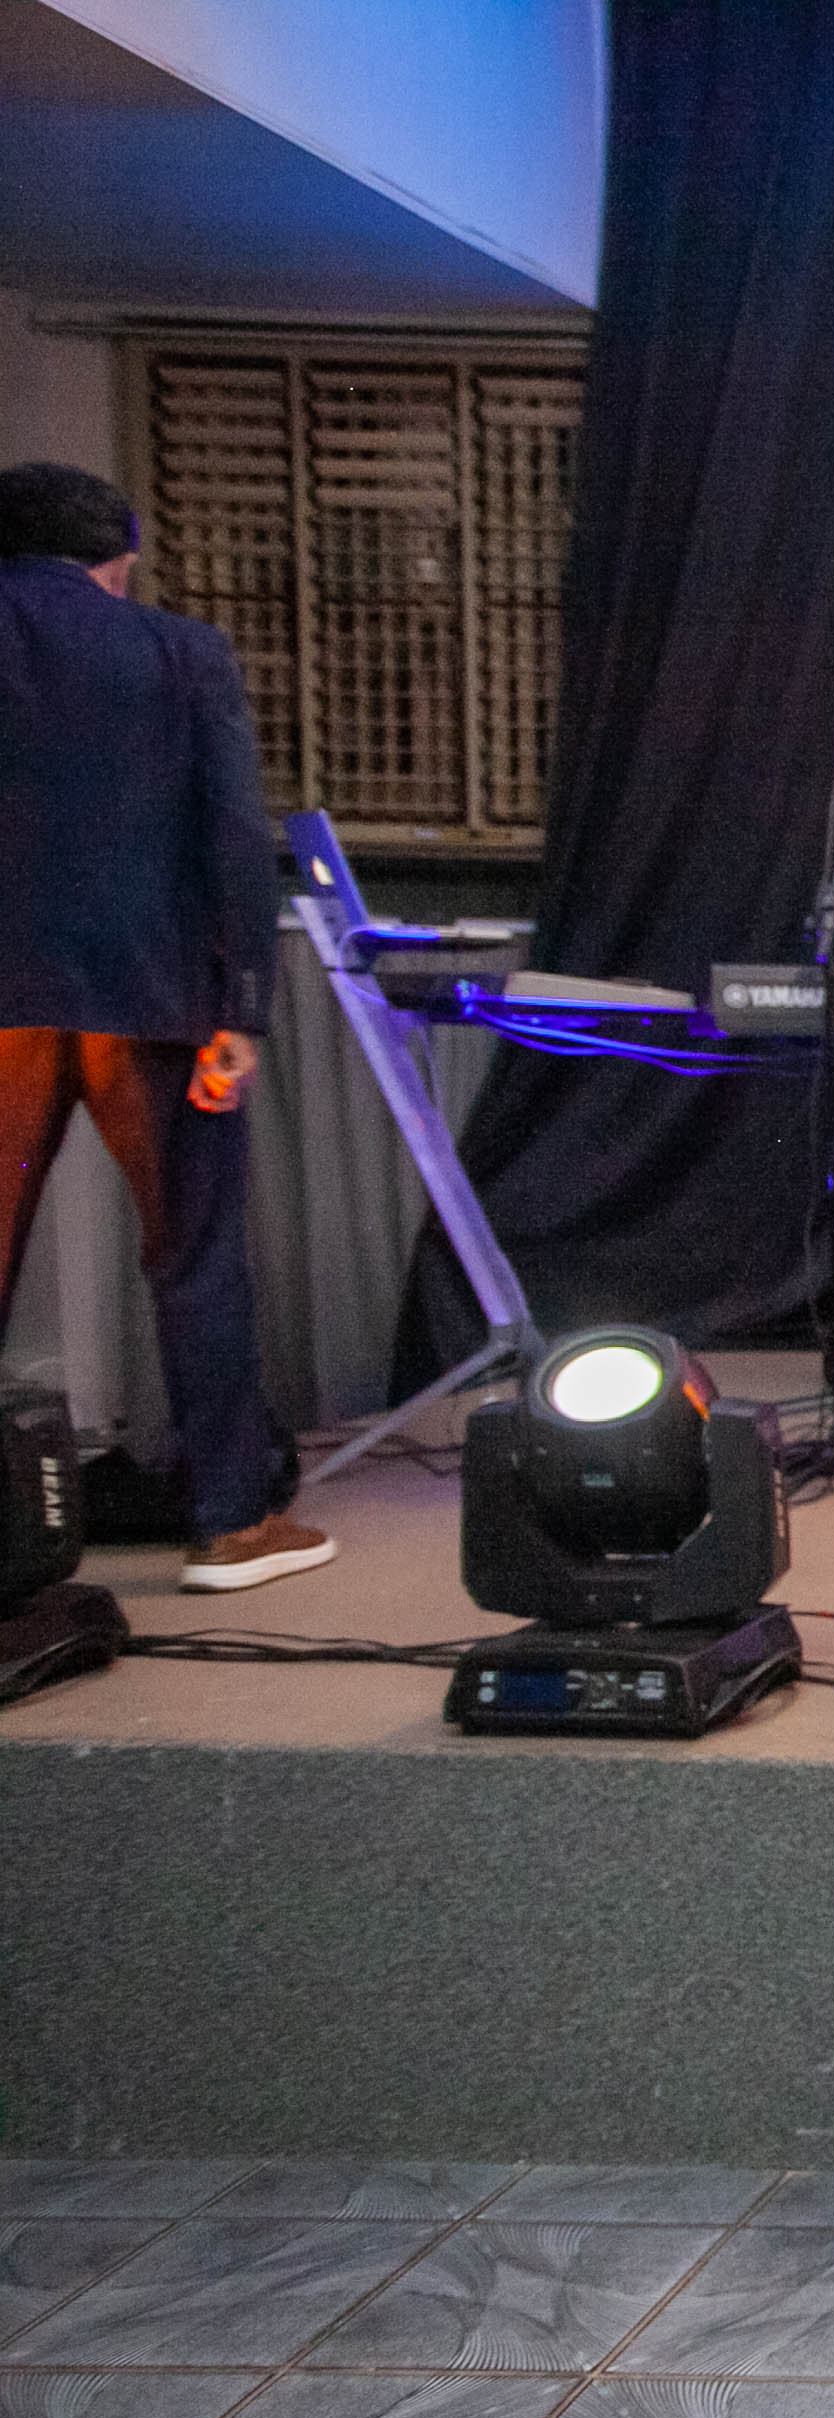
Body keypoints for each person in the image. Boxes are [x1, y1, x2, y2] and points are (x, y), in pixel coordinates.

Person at [0, 461, 329, 1591]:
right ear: (120, 556)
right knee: (194, 1251)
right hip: (151, 999)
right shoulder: (179, 651)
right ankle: (231, 1525)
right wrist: (243, 1010)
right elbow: (233, 836)